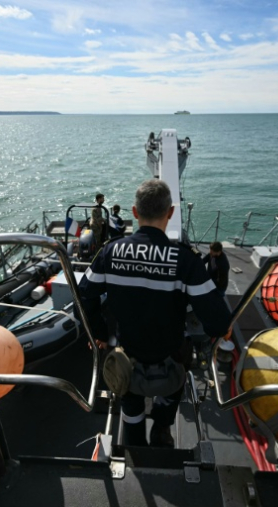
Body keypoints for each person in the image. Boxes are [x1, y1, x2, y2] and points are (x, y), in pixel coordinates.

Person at [78, 179, 231, 447]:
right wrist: (221, 330)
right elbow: (217, 320)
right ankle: (162, 429)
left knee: (130, 401)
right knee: (176, 378)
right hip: (170, 359)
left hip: (126, 359)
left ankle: (133, 437)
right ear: (170, 213)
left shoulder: (110, 252)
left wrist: (100, 333)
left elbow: (85, 295)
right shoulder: (186, 260)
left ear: (135, 213)